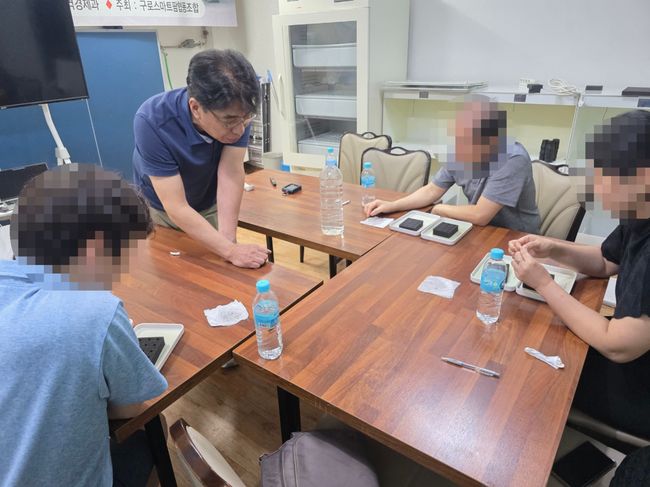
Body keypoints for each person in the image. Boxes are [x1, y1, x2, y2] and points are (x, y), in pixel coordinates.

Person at [0, 163, 168, 486]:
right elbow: (131, 406)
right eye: (123, 259)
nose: (121, 275)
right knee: (149, 432)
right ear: (96, 249)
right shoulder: (95, 312)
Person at [509, 110, 650, 438]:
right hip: (631, 357)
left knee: (530, 375)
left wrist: (543, 283)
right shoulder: (639, 211)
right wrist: (554, 248)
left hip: (639, 389)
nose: (596, 190)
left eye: (604, 178)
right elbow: (605, 261)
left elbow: (617, 345)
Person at [132, 49, 270, 269]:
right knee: (172, 274)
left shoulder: (238, 113)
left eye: (245, 118)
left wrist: (229, 243)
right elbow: (175, 205)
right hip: (162, 213)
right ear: (195, 108)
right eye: (230, 121)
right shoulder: (153, 120)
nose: (239, 129)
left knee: (216, 271)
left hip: (207, 202)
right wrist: (230, 251)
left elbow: (230, 171)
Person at [364, 97, 541, 234]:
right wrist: (391, 205)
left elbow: (480, 214)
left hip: (515, 236)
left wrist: (439, 209)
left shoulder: (512, 159)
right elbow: (431, 191)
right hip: (479, 230)